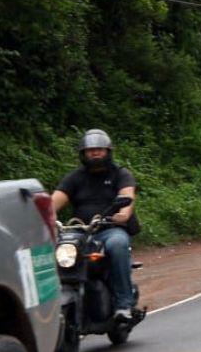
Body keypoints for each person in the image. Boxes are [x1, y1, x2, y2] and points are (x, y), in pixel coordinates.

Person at [51, 129, 139, 320]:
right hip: (80, 231)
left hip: (110, 229)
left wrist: (123, 214)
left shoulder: (120, 174)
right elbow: (53, 203)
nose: (95, 153)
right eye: (90, 150)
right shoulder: (75, 177)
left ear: (108, 151)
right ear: (83, 153)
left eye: (99, 149)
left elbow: (127, 196)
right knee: (57, 250)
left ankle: (123, 305)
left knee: (118, 244)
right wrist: (42, 216)